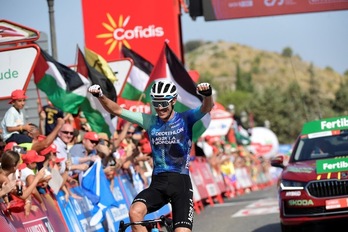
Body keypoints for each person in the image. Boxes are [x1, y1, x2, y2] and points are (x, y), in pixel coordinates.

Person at [89, 80, 214, 232]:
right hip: (158, 184)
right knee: (135, 212)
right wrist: (100, 96)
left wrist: (207, 95)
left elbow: (206, 108)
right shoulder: (149, 121)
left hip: (180, 183)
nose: (160, 107)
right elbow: (117, 110)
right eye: (156, 103)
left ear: (173, 100)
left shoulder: (185, 118)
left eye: (163, 103)